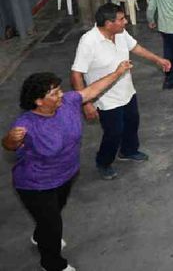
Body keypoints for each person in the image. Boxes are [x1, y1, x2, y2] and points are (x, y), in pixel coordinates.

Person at [3, 63, 133, 271]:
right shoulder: (26, 124)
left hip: (66, 175)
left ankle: (40, 234)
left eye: (59, 90)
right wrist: (11, 139)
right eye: (54, 93)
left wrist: (117, 72)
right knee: (53, 226)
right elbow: (10, 146)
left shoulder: (68, 103)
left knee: (52, 215)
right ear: (39, 101)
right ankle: (52, 264)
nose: (61, 95)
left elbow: (92, 90)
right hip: (37, 184)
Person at [70, 3, 172, 180]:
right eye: (121, 19)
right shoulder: (89, 42)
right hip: (106, 99)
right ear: (108, 24)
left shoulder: (120, 33)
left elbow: (136, 48)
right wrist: (85, 103)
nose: (125, 22)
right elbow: (76, 74)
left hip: (127, 91)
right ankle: (104, 162)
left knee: (132, 122)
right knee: (114, 132)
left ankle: (128, 150)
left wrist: (158, 60)